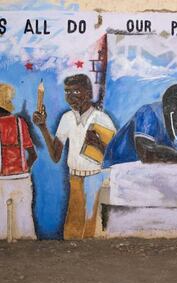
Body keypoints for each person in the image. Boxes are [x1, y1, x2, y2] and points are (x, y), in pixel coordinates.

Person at [32, 74, 116, 240]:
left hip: (96, 177)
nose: (70, 97)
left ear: (88, 93)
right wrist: (42, 127)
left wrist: (98, 144)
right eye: (67, 92)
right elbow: (56, 155)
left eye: (76, 91)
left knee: (92, 222)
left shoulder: (101, 119)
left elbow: (113, 156)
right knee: (74, 222)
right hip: (75, 177)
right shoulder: (67, 118)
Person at [103, 83, 177, 175]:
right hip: (113, 174)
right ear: (172, 108)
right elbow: (147, 154)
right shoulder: (148, 113)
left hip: (136, 177)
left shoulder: (176, 146)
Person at [0, 83, 38, 240]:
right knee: (24, 222)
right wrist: (25, 169)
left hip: (1, 179)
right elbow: (33, 155)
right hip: (21, 178)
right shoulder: (19, 123)